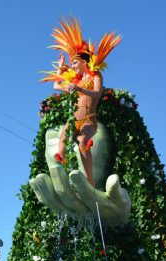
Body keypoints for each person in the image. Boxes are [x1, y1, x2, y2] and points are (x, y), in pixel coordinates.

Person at [42, 16, 121, 186]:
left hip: (88, 118)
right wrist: (60, 67)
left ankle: (89, 180)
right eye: (72, 62)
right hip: (74, 120)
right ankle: (62, 176)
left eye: (75, 62)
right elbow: (56, 85)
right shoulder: (75, 81)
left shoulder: (95, 75)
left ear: (85, 62)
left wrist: (80, 89)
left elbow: (97, 93)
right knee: (62, 141)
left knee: (82, 142)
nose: (73, 65)